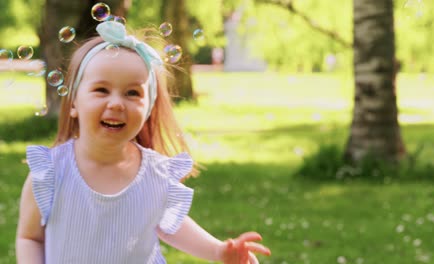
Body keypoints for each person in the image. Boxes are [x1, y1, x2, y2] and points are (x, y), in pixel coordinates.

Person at [16, 21, 271, 263]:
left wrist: (218, 250)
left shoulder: (156, 173)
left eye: (132, 93)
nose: (116, 103)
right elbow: (29, 238)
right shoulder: (50, 172)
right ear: (73, 103)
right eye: (101, 90)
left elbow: (174, 226)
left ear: (149, 109)